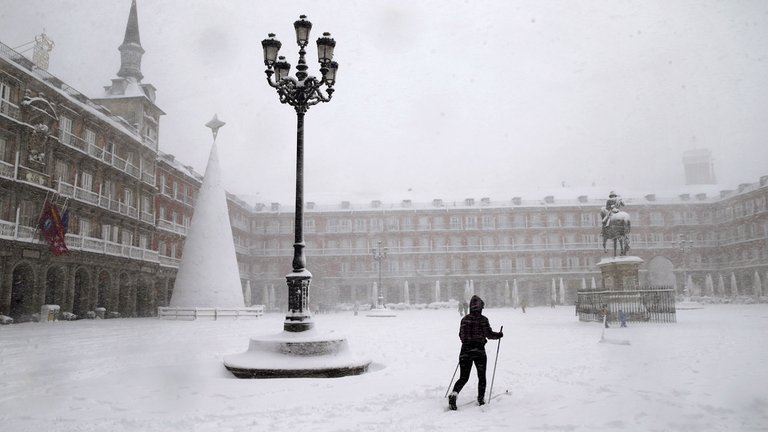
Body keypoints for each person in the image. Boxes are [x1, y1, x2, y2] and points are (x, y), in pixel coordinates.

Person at [448, 295, 503, 410]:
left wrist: (468, 342)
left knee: (463, 377)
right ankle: (481, 399)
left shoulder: (464, 319)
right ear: (480, 307)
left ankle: (454, 394)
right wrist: (499, 335)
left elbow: (461, 335)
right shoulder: (483, 320)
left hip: (465, 350)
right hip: (479, 351)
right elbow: (489, 334)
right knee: (481, 376)